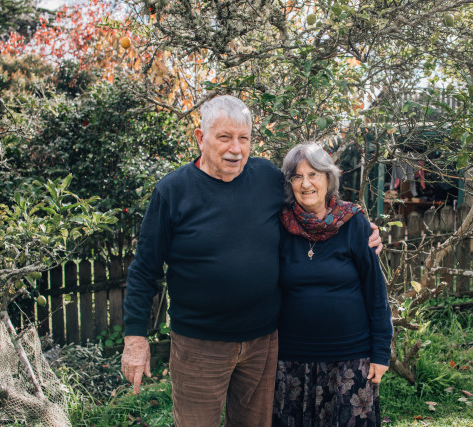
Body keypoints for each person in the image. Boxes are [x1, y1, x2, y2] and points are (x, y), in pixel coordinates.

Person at [121, 95, 383, 427]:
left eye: (243, 138)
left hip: (263, 343)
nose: (236, 149)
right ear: (201, 138)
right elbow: (145, 269)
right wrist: (135, 338)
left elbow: (313, 205)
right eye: (224, 137)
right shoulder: (172, 191)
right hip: (200, 344)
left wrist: (358, 226)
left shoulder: (266, 177)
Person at [273, 143, 393, 427]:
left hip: (350, 358)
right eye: (297, 176)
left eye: (313, 174)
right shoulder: (279, 225)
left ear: (328, 178)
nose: (306, 184)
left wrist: (381, 353)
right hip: (292, 359)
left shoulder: (354, 223)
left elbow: (376, 291)